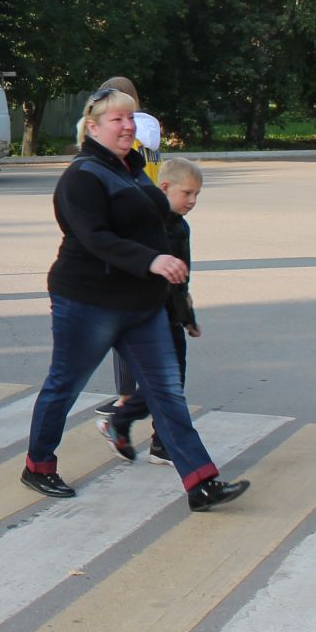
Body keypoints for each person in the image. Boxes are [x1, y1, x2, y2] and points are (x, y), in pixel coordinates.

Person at [19, 87, 249, 511]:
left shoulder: (133, 168)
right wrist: (152, 260)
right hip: (89, 301)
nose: (127, 126)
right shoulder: (82, 176)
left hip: (141, 304)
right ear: (93, 127)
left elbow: (161, 227)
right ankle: (38, 465)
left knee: (167, 392)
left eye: (131, 118)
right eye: (117, 120)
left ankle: (201, 482)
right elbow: (95, 238)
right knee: (64, 385)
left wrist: (179, 297)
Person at [95, 157, 204, 464]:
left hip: (171, 314)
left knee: (174, 382)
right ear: (165, 187)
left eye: (197, 195)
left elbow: (180, 278)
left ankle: (159, 442)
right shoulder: (147, 224)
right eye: (187, 193)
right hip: (148, 316)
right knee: (165, 385)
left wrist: (188, 316)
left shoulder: (180, 226)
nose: (193, 201)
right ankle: (119, 422)